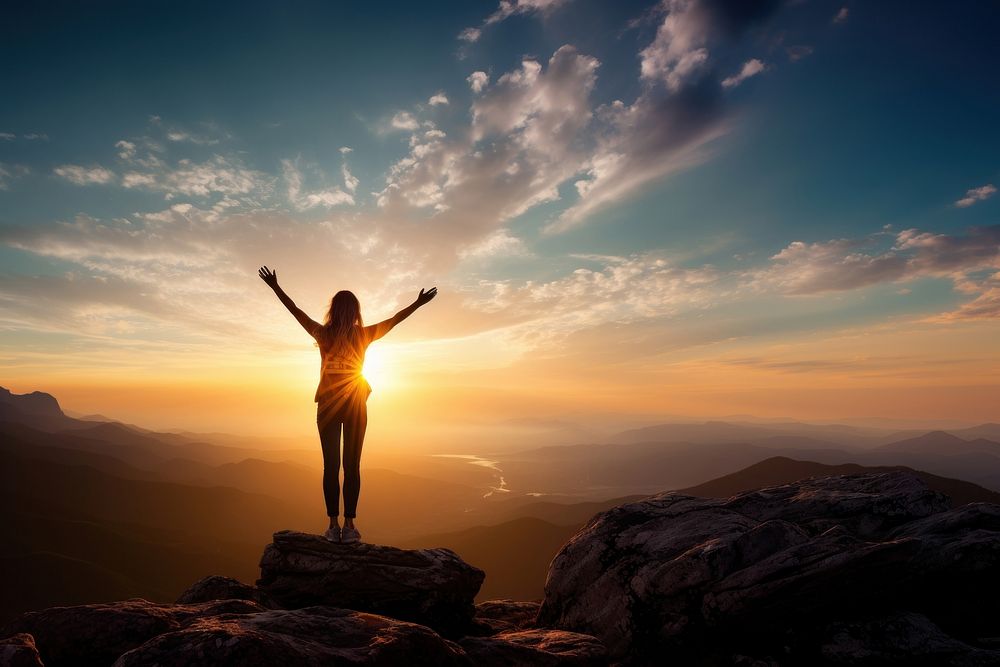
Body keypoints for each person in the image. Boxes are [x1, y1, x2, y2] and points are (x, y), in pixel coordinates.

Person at [258, 265, 437, 543]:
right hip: (355, 406)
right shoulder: (363, 335)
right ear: (355, 312)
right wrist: (418, 303)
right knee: (352, 465)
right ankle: (350, 526)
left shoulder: (323, 333)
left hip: (327, 406)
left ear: (333, 310)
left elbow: (296, 311)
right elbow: (395, 319)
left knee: (331, 466)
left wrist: (275, 287)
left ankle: (332, 525)